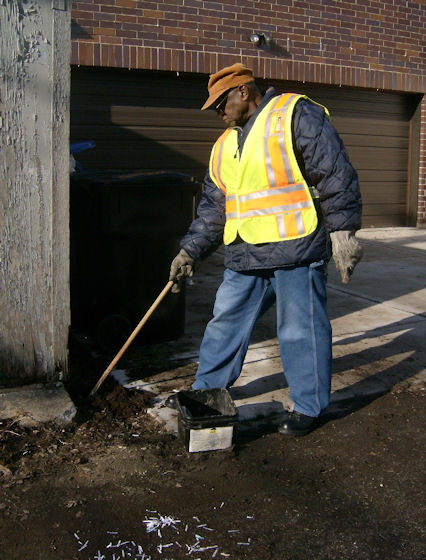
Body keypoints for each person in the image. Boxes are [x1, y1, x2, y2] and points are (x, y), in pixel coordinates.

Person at [167, 63, 363, 436]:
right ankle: (207, 391)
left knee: (299, 330)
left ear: (243, 91)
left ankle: (309, 406)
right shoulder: (224, 145)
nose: (218, 113)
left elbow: (334, 169)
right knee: (225, 322)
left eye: (221, 104)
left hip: (296, 248)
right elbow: (213, 207)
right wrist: (190, 250)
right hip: (244, 252)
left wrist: (344, 231)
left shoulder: (294, 113)